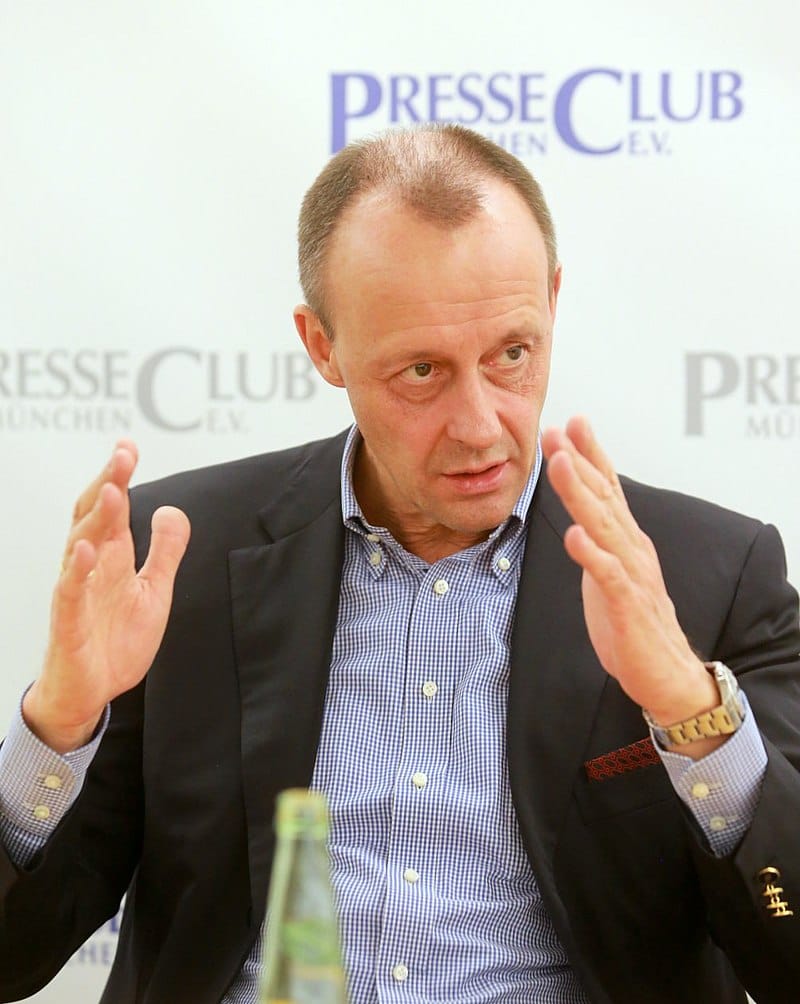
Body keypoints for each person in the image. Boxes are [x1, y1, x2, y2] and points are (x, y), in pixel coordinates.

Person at [0, 125, 798, 1004]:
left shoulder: (712, 576)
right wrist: (60, 724)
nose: (481, 426)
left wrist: (690, 711)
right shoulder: (177, 560)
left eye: (512, 354)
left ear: (553, 301)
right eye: (422, 371)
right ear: (322, 346)